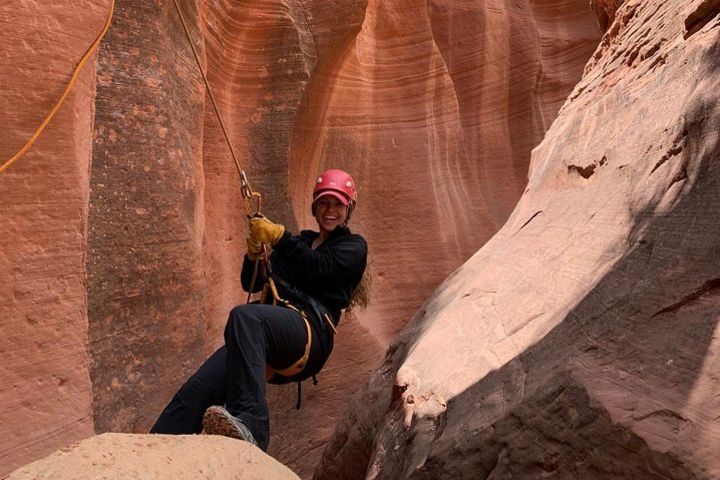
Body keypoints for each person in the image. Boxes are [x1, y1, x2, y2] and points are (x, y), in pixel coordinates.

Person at [150, 168, 368, 451]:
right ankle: (154, 445)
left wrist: (279, 237)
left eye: (338, 204)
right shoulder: (301, 241)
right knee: (199, 387)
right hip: (268, 333)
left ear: (348, 209)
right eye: (325, 202)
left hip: (311, 331)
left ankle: (252, 425)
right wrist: (254, 253)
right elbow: (250, 282)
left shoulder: (353, 247)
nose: (330, 210)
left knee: (245, 316)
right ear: (315, 206)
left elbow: (319, 268)